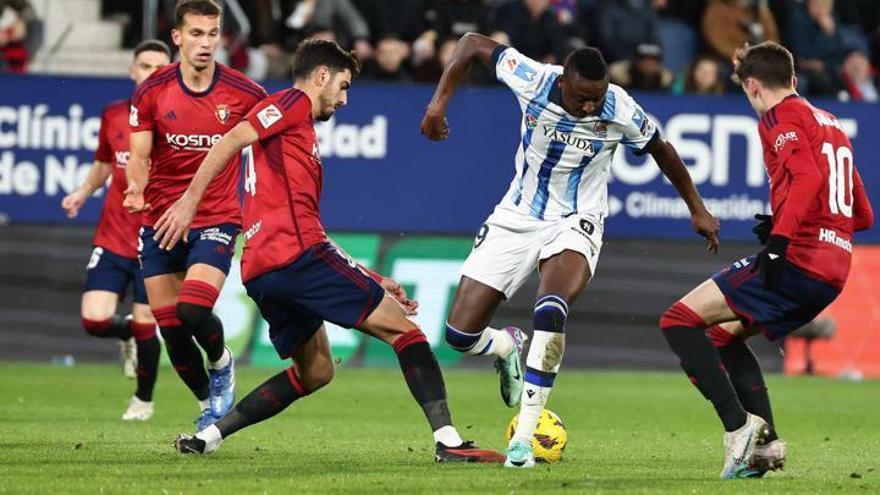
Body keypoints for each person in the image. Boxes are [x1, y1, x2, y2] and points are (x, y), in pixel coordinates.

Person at [151, 39, 503, 463]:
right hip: (296, 257)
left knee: (316, 371)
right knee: (405, 331)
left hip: (263, 270)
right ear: (321, 76)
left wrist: (372, 278)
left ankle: (210, 435)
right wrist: (190, 202)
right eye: (343, 86)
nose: (344, 98)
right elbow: (230, 139)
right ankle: (448, 442)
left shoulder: (295, 141)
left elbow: (310, 228)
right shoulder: (293, 103)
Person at [420, 32, 720, 468]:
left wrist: (697, 209)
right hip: (516, 216)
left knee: (551, 308)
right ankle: (505, 347)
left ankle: (523, 438)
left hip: (577, 220)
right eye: (582, 98)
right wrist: (437, 104)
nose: (589, 107)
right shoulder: (533, 78)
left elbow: (663, 150)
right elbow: (470, 44)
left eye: (595, 99)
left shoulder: (619, 107)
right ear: (563, 82)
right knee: (460, 336)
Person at [658, 41, 873, 479]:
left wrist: (780, 240)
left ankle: (738, 430)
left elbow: (809, 177)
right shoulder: (830, 122)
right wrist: (788, 219)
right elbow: (863, 213)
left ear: (751, 86)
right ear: (793, 79)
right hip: (835, 269)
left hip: (800, 259)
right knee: (722, 338)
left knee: (677, 320)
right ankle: (767, 446)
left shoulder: (780, 117)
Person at [123, 0, 268, 429]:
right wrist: (135, 187)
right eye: (197, 34)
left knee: (192, 310)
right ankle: (209, 402)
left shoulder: (245, 93)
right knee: (170, 327)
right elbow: (139, 155)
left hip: (216, 218)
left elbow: (277, 132)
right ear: (178, 38)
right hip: (160, 221)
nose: (206, 43)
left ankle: (222, 362)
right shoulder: (152, 90)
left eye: (212, 34)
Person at [60, 40, 172, 421]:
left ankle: (143, 400)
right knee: (93, 320)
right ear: (132, 71)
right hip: (112, 235)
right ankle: (125, 335)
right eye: (145, 66)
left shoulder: (178, 121)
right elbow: (105, 163)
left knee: (148, 323)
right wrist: (81, 192)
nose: (152, 73)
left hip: (153, 238)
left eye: (160, 67)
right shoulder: (113, 115)